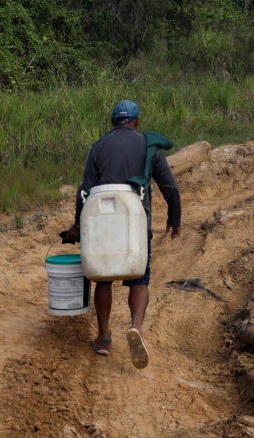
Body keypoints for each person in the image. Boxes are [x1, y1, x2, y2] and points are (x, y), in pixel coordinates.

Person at [62, 99, 181, 367]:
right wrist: (175, 218)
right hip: (137, 223)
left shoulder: (97, 148)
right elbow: (170, 187)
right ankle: (136, 327)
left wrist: (78, 227)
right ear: (136, 121)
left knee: (104, 278)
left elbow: (84, 192)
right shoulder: (149, 146)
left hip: (103, 225)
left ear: (113, 122)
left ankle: (104, 338)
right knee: (140, 279)